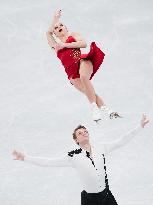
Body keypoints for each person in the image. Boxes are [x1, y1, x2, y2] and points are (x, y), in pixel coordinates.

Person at [12, 114, 149, 205]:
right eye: (80, 133)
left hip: (106, 196)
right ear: (76, 139)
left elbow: (122, 141)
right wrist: (25, 158)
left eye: (85, 131)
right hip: (90, 200)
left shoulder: (101, 148)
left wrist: (139, 127)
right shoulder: (73, 156)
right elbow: (48, 162)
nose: (84, 133)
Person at [46, 10, 121, 122]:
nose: (59, 27)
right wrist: (55, 18)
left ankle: (93, 108)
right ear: (55, 34)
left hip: (83, 61)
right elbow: (47, 33)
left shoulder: (73, 35)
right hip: (71, 74)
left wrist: (65, 45)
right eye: (56, 28)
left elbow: (83, 43)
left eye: (61, 25)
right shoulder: (55, 46)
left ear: (66, 28)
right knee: (89, 92)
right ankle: (109, 111)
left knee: (84, 77)